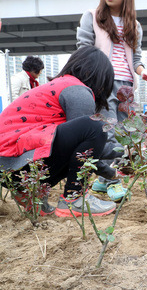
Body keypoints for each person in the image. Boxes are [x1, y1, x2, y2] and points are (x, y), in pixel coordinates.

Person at [0, 46, 120, 217]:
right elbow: (87, 145)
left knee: (80, 136)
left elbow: (80, 148)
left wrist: (111, 165)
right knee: (95, 126)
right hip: (14, 162)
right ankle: (74, 198)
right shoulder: (78, 90)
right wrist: (120, 159)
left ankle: (29, 193)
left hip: (7, 166)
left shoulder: (58, 85)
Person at [76, 0, 147, 202]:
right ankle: (112, 180)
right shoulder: (92, 17)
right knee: (108, 133)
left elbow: (136, 58)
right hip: (102, 82)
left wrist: (143, 72)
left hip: (127, 86)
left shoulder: (135, 25)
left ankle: (103, 180)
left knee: (125, 136)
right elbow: (84, 50)